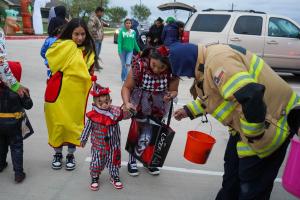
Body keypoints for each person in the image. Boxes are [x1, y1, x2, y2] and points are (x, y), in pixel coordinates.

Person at [171, 42, 300, 200]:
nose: (189, 77)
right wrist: (188, 111)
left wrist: (253, 136)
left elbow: (251, 97)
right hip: (246, 128)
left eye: (186, 73)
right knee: (231, 178)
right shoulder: (205, 64)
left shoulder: (218, 62)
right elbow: (213, 97)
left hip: (271, 125)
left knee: (252, 188)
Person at [45, 18, 96, 171]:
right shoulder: (61, 46)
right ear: (69, 33)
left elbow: (90, 72)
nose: (80, 38)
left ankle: (70, 155)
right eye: (76, 34)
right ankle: (58, 154)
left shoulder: (88, 51)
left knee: (73, 125)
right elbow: (50, 62)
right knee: (58, 123)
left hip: (76, 95)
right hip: (59, 91)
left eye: (83, 34)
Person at [121, 45, 179, 176]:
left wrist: (171, 95)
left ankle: (149, 160)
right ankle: (132, 160)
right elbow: (126, 87)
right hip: (140, 103)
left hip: (159, 106)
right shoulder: (140, 66)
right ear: (150, 58)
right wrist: (127, 103)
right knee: (137, 131)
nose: (157, 70)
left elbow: (174, 90)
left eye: (161, 67)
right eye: (154, 65)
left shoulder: (172, 71)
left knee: (154, 133)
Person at [80, 81, 131, 190]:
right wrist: (83, 138)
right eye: (100, 102)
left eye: (106, 101)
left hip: (114, 145)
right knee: (96, 161)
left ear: (110, 101)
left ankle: (114, 176)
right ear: (94, 103)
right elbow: (87, 128)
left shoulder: (115, 111)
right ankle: (95, 177)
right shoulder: (93, 115)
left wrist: (130, 110)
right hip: (98, 145)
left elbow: (125, 115)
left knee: (114, 161)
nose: (104, 104)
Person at [0, 28, 32, 183]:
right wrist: (25, 94)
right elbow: (29, 105)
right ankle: (18, 173)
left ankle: (0, 164)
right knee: (16, 147)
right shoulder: (19, 91)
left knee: (1, 145)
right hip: (15, 124)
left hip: (0, 124)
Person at [41, 5, 67, 79]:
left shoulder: (54, 19)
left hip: (51, 60)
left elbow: (43, 52)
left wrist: (47, 57)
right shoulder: (65, 22)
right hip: (63, 47)